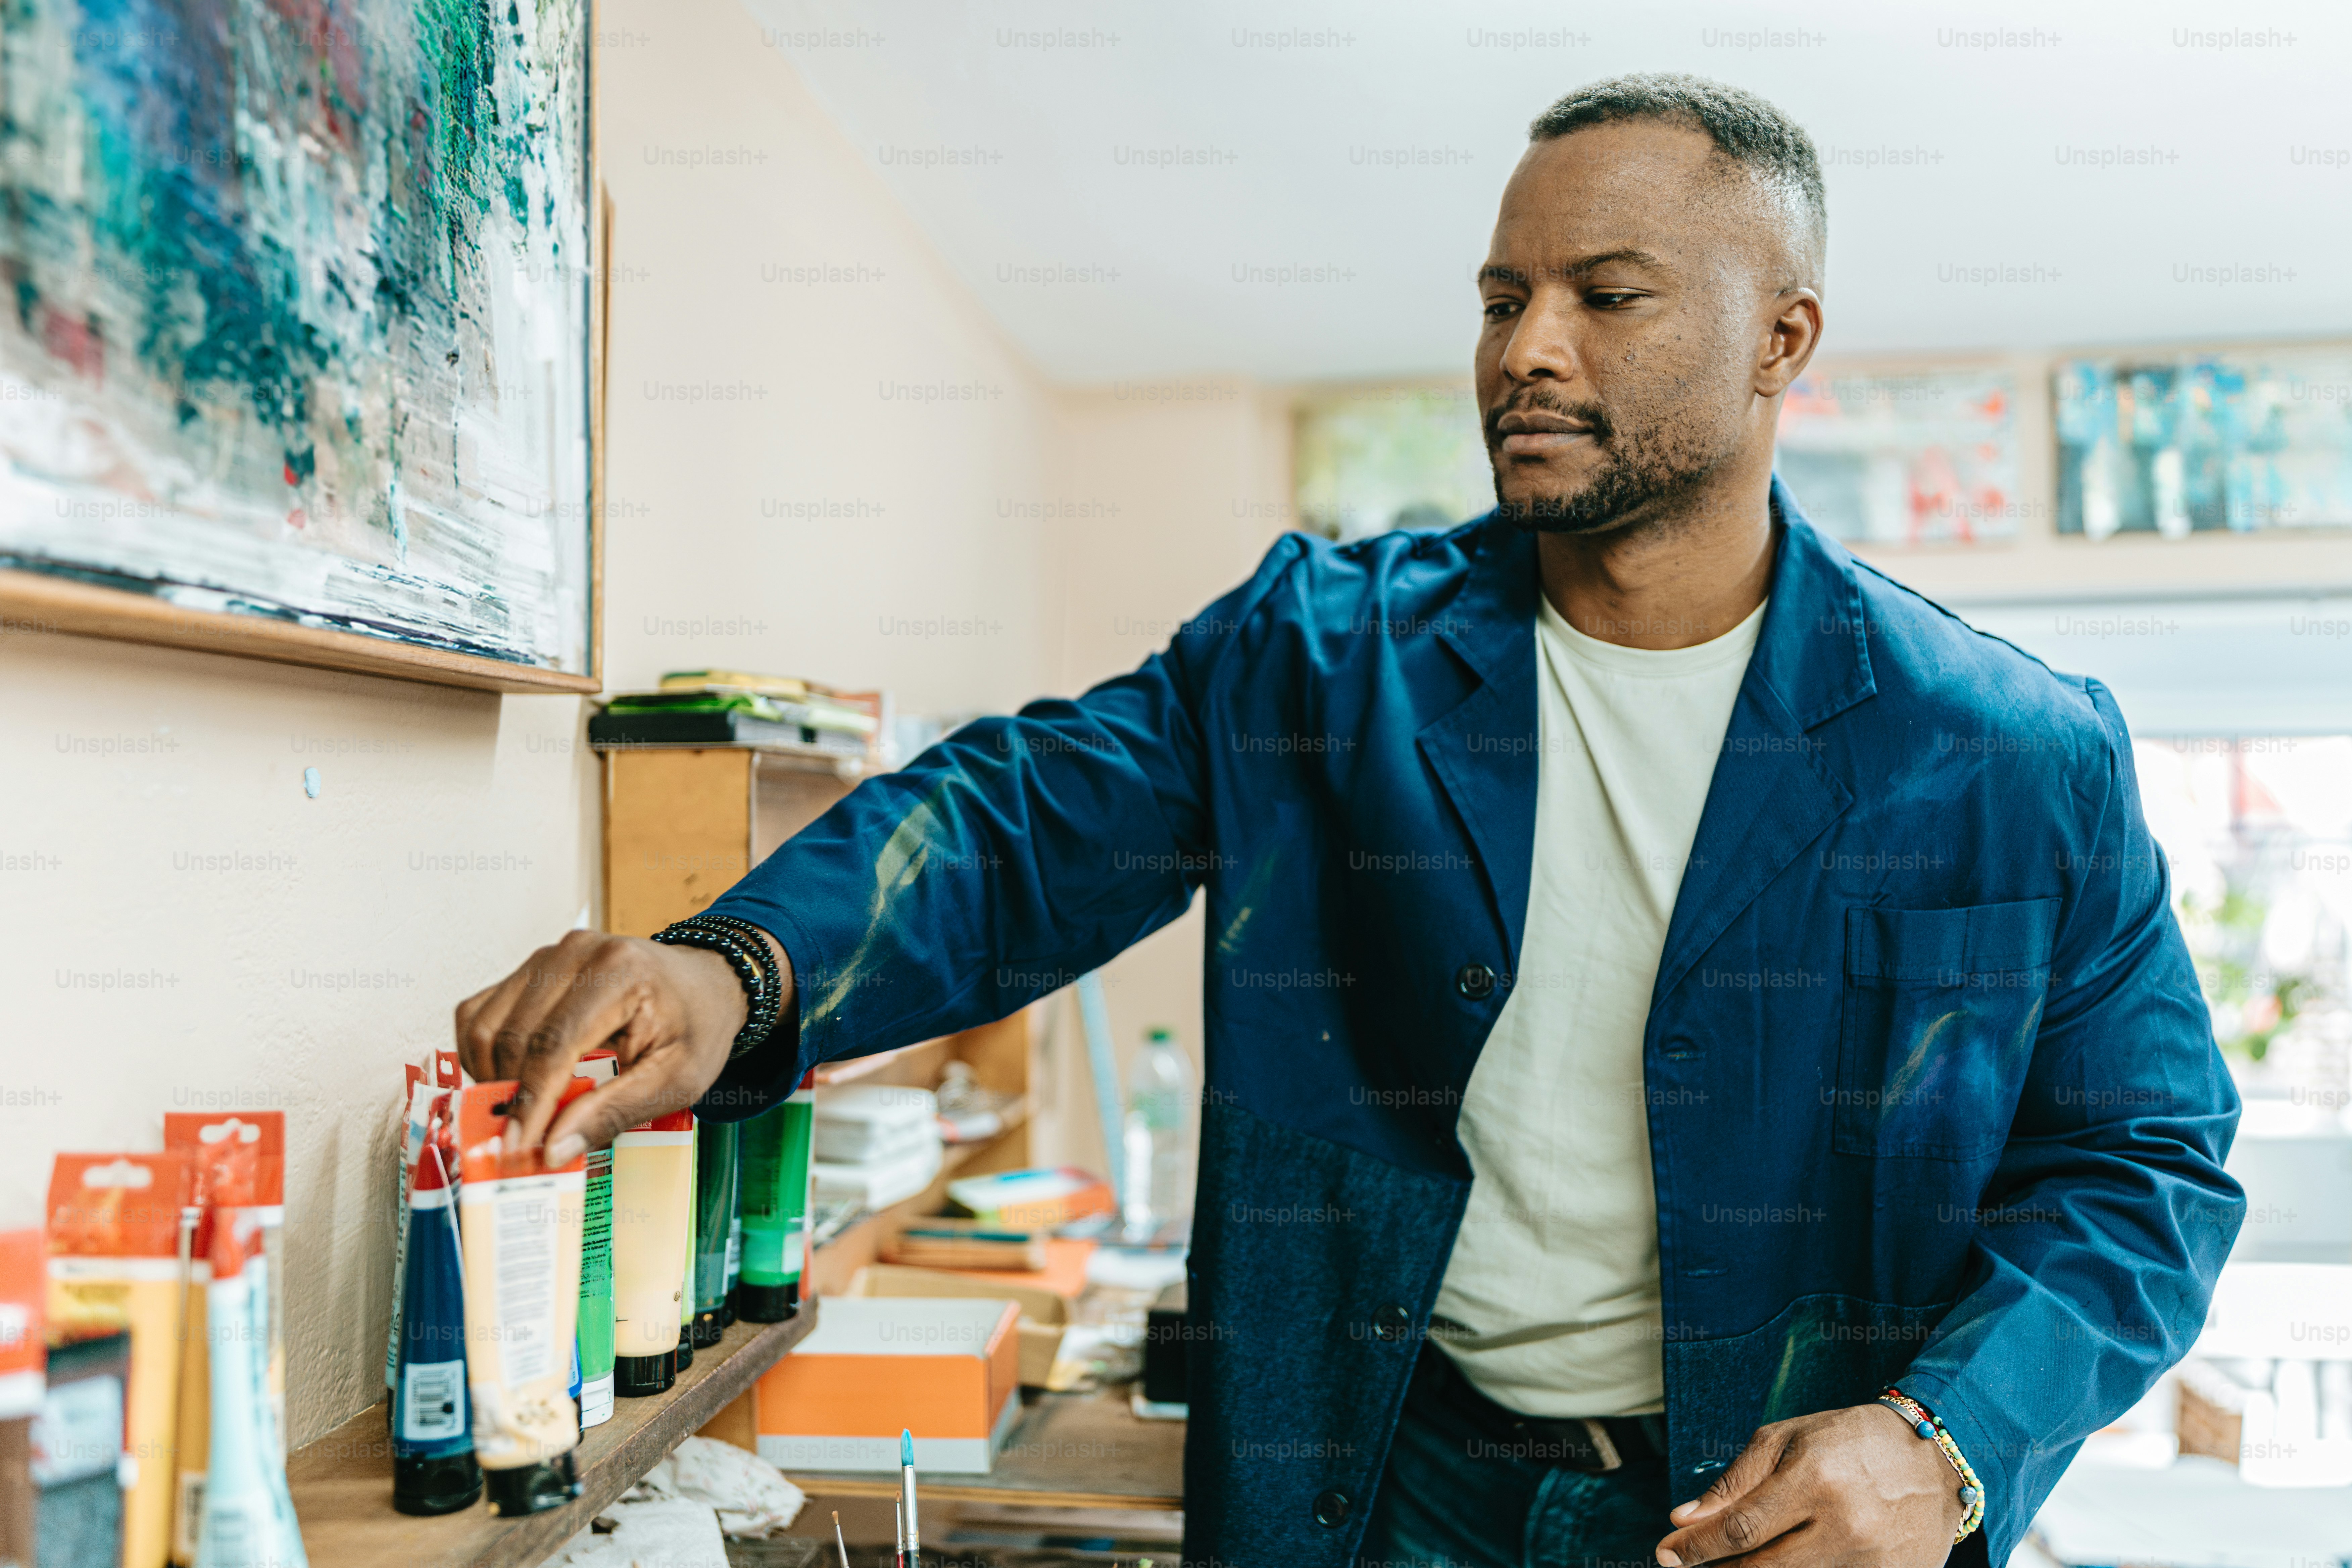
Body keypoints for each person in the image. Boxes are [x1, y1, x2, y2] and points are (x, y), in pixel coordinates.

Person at [456, 74, 2241, 1568]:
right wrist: (738, 976)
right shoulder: (1326, 652)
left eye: (1605, 297)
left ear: (1784, 341)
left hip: (1767, 1519)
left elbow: (2147, 1166)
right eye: (1498, 297)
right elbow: (1027, 827)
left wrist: (1948, 1443)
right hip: (1389, 1490)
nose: (1525, 352)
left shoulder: (2007, 752)